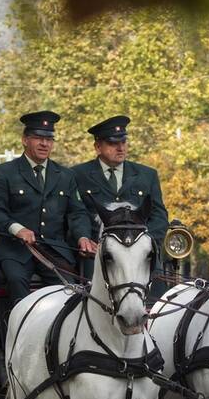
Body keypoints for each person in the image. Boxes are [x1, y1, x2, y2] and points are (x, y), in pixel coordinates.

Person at [0, 110, 96, 304]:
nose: (44, 144)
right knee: (16, 281)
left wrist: (83, 236)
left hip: (54, 251)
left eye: (49, 139)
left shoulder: (65, 175)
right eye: (38, 138)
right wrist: (17, 229)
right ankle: (18, 329)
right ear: (25, 140)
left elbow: (77, 213)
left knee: (70, 291)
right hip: (15, 250)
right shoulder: (6, 172)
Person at [72, 115, 168, 279]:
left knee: (157, 297)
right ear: (98, 147)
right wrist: (83, 237)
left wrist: (145, 241)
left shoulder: (147, 175)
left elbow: (159, 215)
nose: (120, 148)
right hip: (98, 253)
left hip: (140, 252)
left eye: (123, 142)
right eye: (113, 143)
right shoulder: (78, 175)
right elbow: (76, 212)